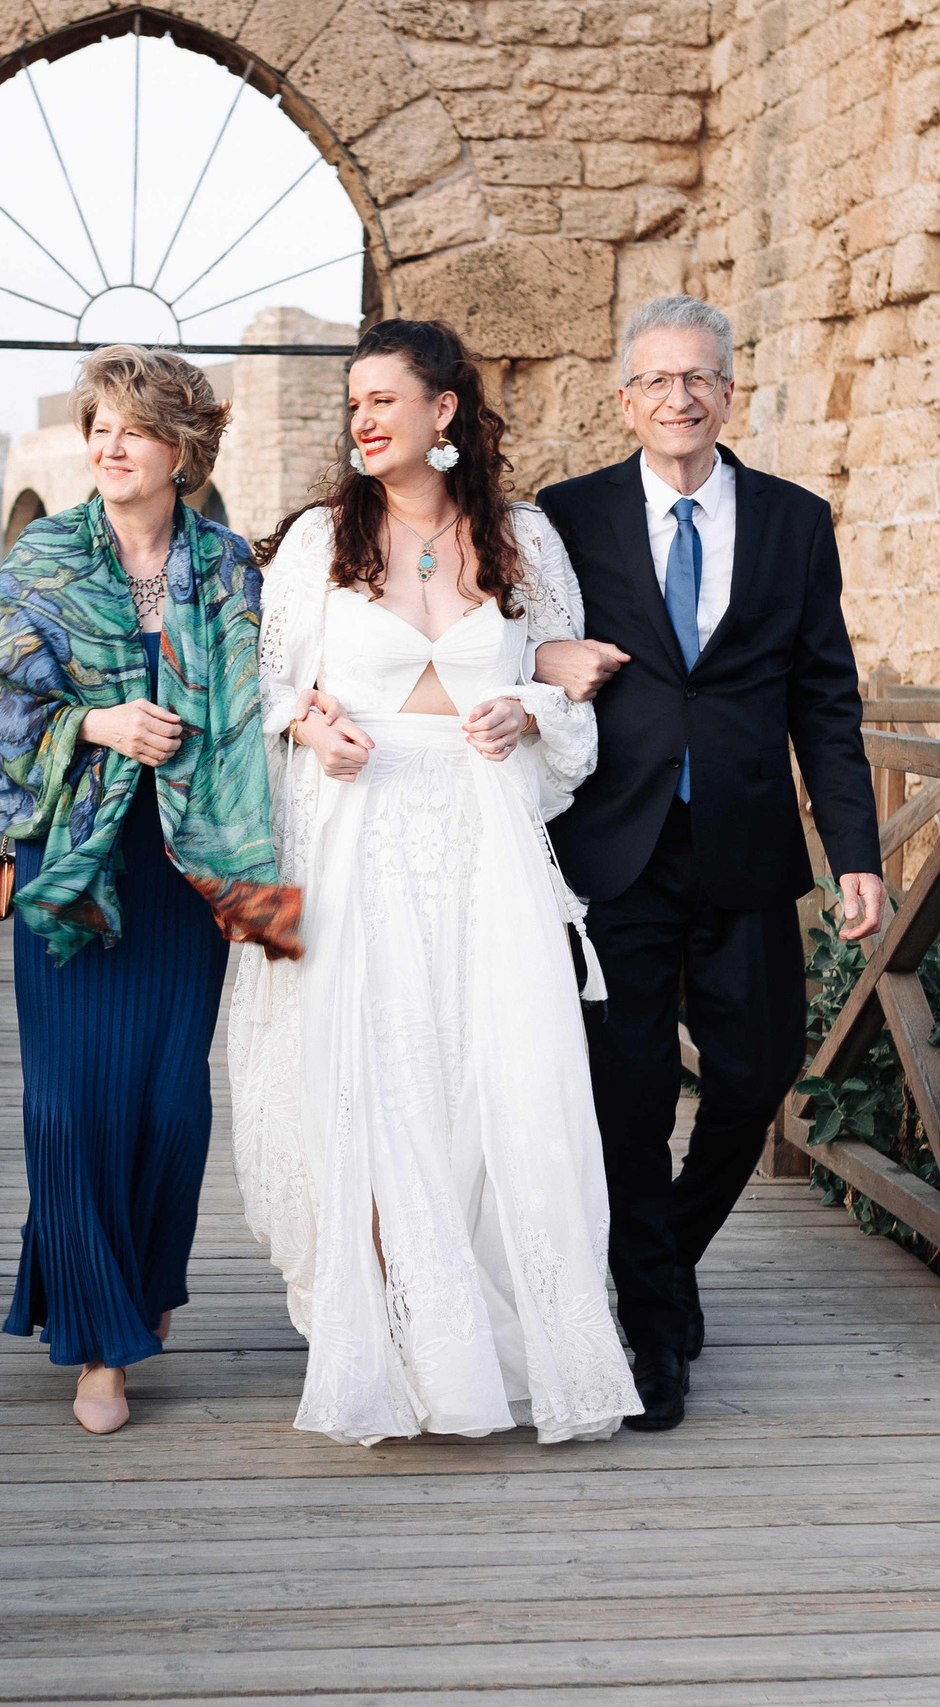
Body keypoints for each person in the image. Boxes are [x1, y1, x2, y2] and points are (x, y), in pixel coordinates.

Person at [229, 319, 641, 1446]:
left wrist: (531, 709)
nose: (361, 421)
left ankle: (494, 1343)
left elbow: (566, 686)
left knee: (490, 1079)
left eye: (382, 401)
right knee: (365, 1077)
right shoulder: (317, 541)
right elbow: (268, 693)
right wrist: (310, 725)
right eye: (352, 404)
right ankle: (391, 1345)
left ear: (443, 410)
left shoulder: (525, 541)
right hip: (349, 836)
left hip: (480, 837)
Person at [532, 295, 885, 1431]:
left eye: (700, 379)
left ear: (729, 393)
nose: (678, 398)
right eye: (656, 380)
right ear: (624, 399)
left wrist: (855, 856)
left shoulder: (792, 520)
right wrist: (547, 654)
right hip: (612, 846)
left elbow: (825, 698)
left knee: (756, 1075)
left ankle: (660, 1261)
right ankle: (647, 1337)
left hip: (744, 843)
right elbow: (506, 637)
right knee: (625, 1100)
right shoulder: (567, 517)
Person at [0, 345, 301, 1436]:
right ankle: (100, 1348)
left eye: (134, 427)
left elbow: (277, 693)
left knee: (167, 1109)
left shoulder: (229, 569)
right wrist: (96, 723)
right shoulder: (44, 560)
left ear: (181, 447)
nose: (110, 445)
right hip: (75, 868)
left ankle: (142, 1292)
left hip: (187, 876)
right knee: (67, 1114)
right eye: (97, 425)